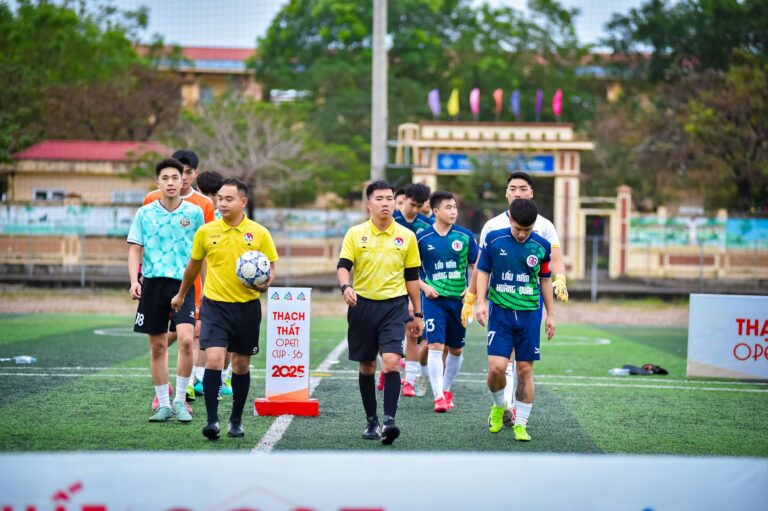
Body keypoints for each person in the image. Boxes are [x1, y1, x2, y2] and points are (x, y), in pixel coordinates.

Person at [171, 178, 278, 440]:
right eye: (220, 198)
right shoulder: (206, 232)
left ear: (243, 202)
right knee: (214, 360)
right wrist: (182, 294)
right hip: (215, 307)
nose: (222, 203)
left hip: (246, 308)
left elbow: (271, 267)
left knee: (241, 366)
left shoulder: (260, 233)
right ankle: (211, 421)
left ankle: (236, 420)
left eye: (229, 199)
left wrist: (265, 284)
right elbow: (193, 267)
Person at [461, 171, 568, 427]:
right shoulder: (492, 226)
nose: (517, 193)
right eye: (512, 188)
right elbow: (481, 265)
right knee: (500, 362)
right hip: (500, 300)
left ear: (531, 192)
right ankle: (504, 405)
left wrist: (560, 279)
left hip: (529, 302)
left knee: (523, 367)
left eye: (522, 188)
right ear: (506, 192)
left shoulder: (545, 226)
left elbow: (553, 261)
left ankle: (516, 415)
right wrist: (474, 296)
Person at [337, 180, 423, 445]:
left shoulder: (406, 236)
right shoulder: (355, 233)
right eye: (380, 199)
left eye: (390, 198)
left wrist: (417, 313)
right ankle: (371, 421)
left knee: (391, 362)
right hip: (362, 306)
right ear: (369, 204)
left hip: (394, 306)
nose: (386, 203)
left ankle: (389, 421)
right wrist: (345, 287)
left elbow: (412, 276)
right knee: (367, 366)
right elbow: (343, 266)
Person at [128, 158, 205, 423]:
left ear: (183, 179)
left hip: (182, 284)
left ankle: (180, 401)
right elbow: (135, 249)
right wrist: (134, 280)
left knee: (186, 339)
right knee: (158, 346)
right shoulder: (145, 213)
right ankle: (162, 404)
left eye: (176, 177)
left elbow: (200, 256)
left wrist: (202, 288)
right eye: (165, 178)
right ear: (157, 182)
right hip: (152, 284)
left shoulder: (194, 213)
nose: (171, 182)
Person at [475, 198, 555, 441]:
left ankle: (520, 424)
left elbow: (545, 280)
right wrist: (480, 301)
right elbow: (483, 271)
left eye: (527, 230)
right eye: (519, 229)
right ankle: (499, 406)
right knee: (496, 368)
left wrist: (551, 314)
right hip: (500, 313)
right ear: (510, 219)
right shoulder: (494, 239)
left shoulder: (542, 245)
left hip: (530, 315)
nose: (522, 235)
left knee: (524, 370)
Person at [144, 150, 216, 406]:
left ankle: (186, 392)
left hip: (191, 284)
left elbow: (204, 251)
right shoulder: (151, 200)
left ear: (194, 174)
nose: (181, 178)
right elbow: (145, 240)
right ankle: (162, 391)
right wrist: (140, 276)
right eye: (176, 173)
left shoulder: (204, 205)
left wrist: (207, 285)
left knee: (190, 336)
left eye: (186, 173)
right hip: (157, 282)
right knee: (160, 341)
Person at [416, 191, 478, 412]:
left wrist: (472, 293)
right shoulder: (421, 238)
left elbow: (477, 267)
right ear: (435, 211)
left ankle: (447, 387)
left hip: (459, 302)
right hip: (434, 301)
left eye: (455, 207)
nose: (453, 211)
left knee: (456, 350)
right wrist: (425, 287)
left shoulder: (465, 236)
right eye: (448, 207)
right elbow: (410, 272)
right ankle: (439, 397)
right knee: (434, 345)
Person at [191, 170, 231, 398]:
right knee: (199, 332)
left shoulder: (217, 214)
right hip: (206, 280)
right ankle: (202, 379)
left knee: (201, 333)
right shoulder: (202, 213)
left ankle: (204, 378)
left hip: (216, 280)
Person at [393, 182, 434, 398]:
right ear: (404, 197)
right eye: (412, 204)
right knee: (398, 334)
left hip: (417, 284)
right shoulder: (391, 221)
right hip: (391, 284)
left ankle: (410, 380)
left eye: (420, 205)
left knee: (415, 333)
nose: (415, 209)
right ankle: (393, 371)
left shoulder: (427, 225)